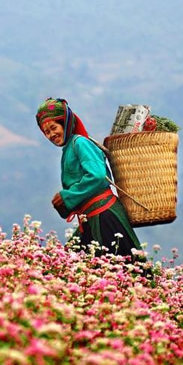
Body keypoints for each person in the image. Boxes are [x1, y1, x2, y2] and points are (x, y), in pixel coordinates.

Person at [36, 97, 146, 263]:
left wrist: (67, 196)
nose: (51, 135)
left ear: (65, 123)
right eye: (47, 132)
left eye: (53, 128)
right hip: (89, 217)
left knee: (123, 272)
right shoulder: (69, 148)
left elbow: (97, 175)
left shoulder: (80, 143)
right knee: (70, 266)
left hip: (105, 216)